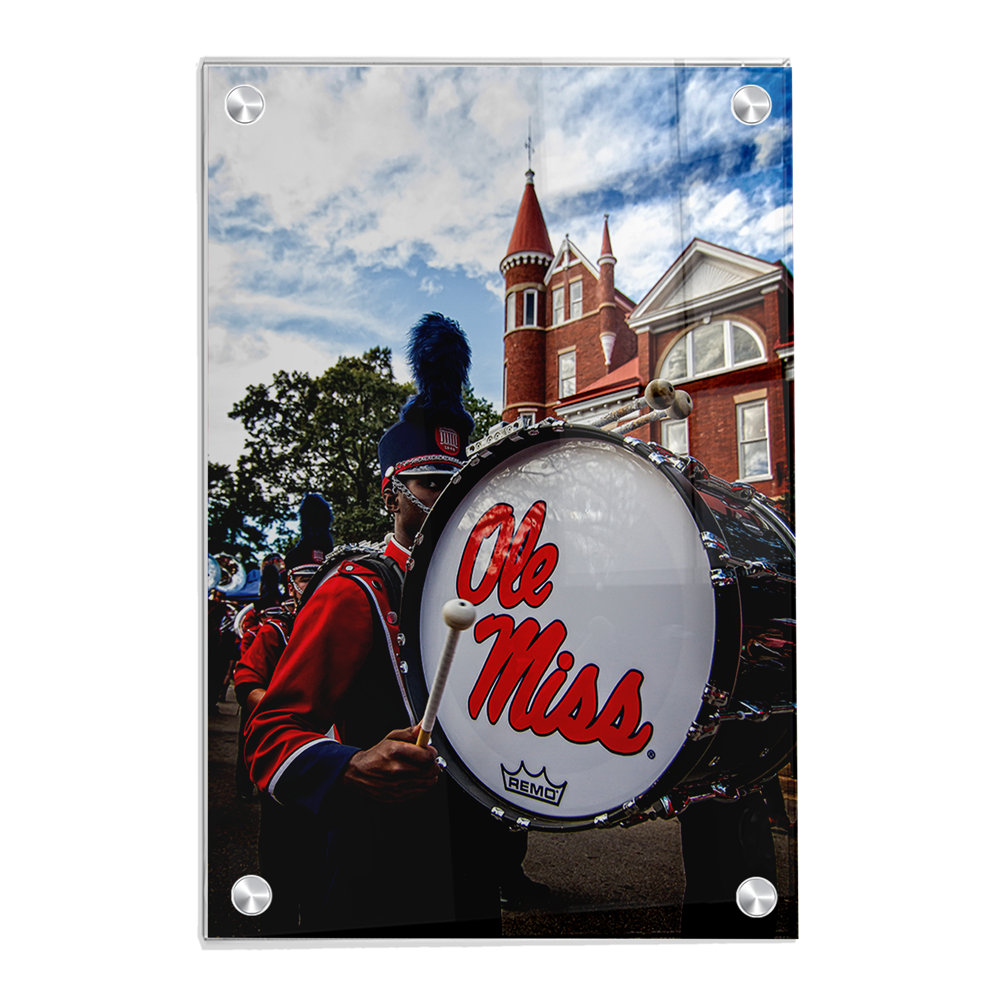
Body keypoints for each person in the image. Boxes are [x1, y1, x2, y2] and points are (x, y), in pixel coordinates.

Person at [244, 314, 501, 937]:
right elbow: (268, 735)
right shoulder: (356, 589)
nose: (446, 500)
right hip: (381, 859)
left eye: (457, 486)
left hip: (471, 854)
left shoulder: (490, 594)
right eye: (429, 484)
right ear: (391, 493)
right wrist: (350, 765)